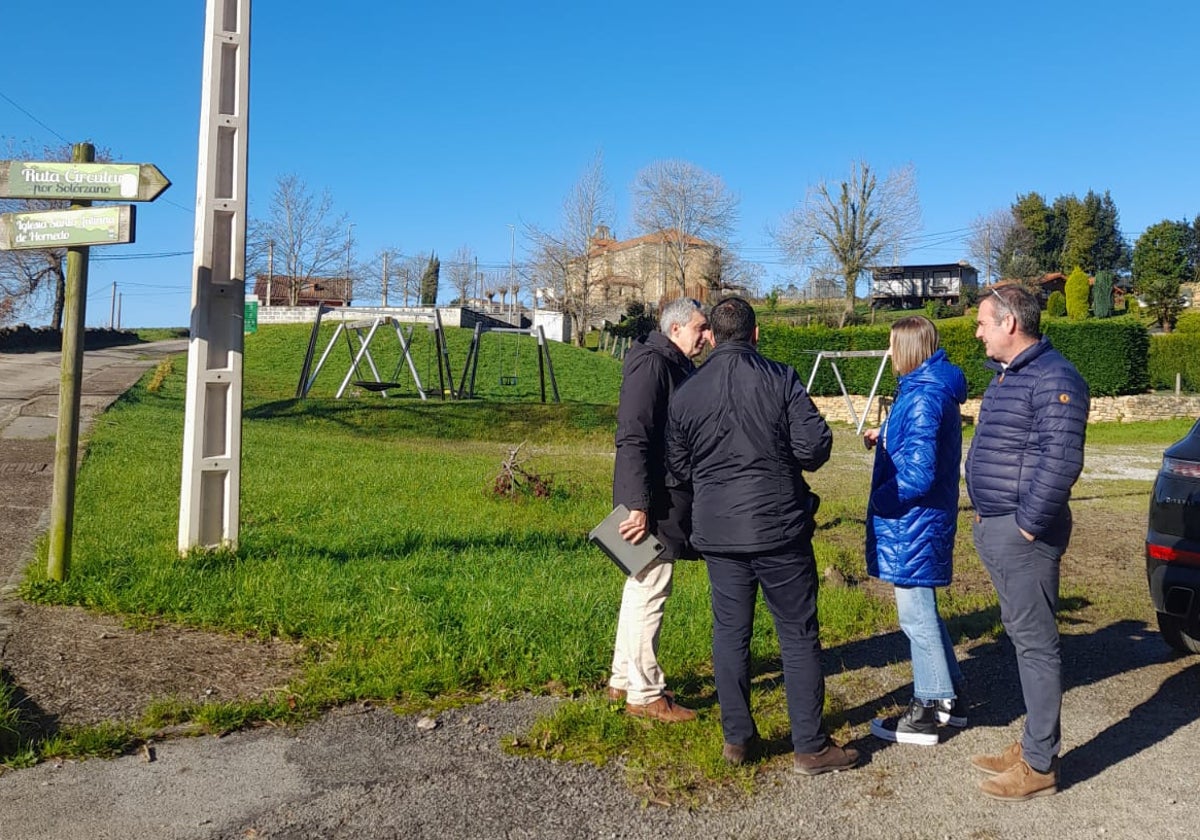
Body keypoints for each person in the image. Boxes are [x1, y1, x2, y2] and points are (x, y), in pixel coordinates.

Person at [666, 296, 859, 774]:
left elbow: (677, 467)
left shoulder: (688, 391)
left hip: (719, 533)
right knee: (796, 634)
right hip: (778, 529)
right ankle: (810, 747)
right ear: (755, 334)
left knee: (730, 633)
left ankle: (738, 739)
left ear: (711, 335)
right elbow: (814, 448)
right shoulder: (781, 378)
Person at [964, 284, 1089, 801]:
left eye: (982, 322)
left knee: (1036, 645)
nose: (976, 331)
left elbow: (1061, 462)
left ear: (1010, 323)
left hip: (1023, 533)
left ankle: (1040, 765)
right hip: (1000, 524)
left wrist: (1027, 525)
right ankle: (1033, 744)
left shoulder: (1056, 377)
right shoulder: (1012, 375)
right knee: (1020, 637)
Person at [864, 316, 969, 746]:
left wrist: (883, 500)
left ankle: (929, 708)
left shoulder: (924, 396)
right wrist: (885, 435)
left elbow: (920, 473)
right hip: (919, 521)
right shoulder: (922, 389)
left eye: (892, 345)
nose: (889, 353)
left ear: (907, 348)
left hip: (914, 521)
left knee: (915, 615)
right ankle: (952, 698)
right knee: (923, 611)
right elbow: (917, 444)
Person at [606, 297, 711, 723]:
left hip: (657, 494)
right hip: (653, 498)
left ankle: (621, 678)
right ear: (675, 329)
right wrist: (636, 505)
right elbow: (633, 435)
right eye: (700, 328)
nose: (706, 336)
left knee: (641, 584)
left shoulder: (670, 362)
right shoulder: (652, 364)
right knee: (652, 587)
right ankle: (646, 694)